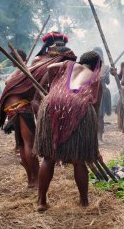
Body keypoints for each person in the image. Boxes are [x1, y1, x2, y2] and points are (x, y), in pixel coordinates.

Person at [0, 32, 72, 188]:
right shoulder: (52, 63)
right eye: (58, 44)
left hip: (12, 101)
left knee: (23, 143)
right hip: (22, 103)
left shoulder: (39, 61)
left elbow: (18, 83)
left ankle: (31, 180)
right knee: (30, 143)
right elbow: (39, 90)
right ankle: (35, 180)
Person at [34, 51, 102, 211]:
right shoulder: (96, 78)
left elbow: (50, 67)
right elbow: (96, 109)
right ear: (97, 66)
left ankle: (41, 202)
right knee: (79, 160)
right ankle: (84, 201)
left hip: (52, 104)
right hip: (79, 108)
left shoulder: (67, 65)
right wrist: (93, 141)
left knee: (48, 158)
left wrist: (53, 89)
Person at [93, 46, 111, 144]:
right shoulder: (89, 67)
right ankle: (92, 137)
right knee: (92, 116)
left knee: (100, 117)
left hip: (102, 93)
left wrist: (105, 76)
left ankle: (99, 138)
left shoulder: (106, 67)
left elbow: (108, 82)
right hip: (91, 94)